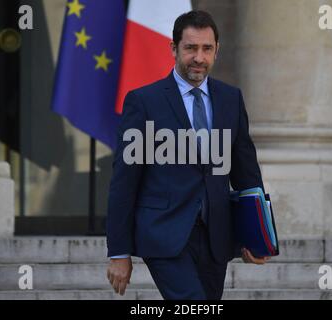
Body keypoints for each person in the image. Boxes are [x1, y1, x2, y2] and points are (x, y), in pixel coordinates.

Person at [106, 10, 270, 300]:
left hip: (217, 237)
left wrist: (256, 235)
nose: (199, 57)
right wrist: (119, 251)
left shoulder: (231, 99)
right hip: (164, 235)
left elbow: (246, 173)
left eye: (207, 48)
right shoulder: (144, 102)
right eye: (190, 48)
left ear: (217, 51)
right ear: (174, 49)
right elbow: (124, 181)